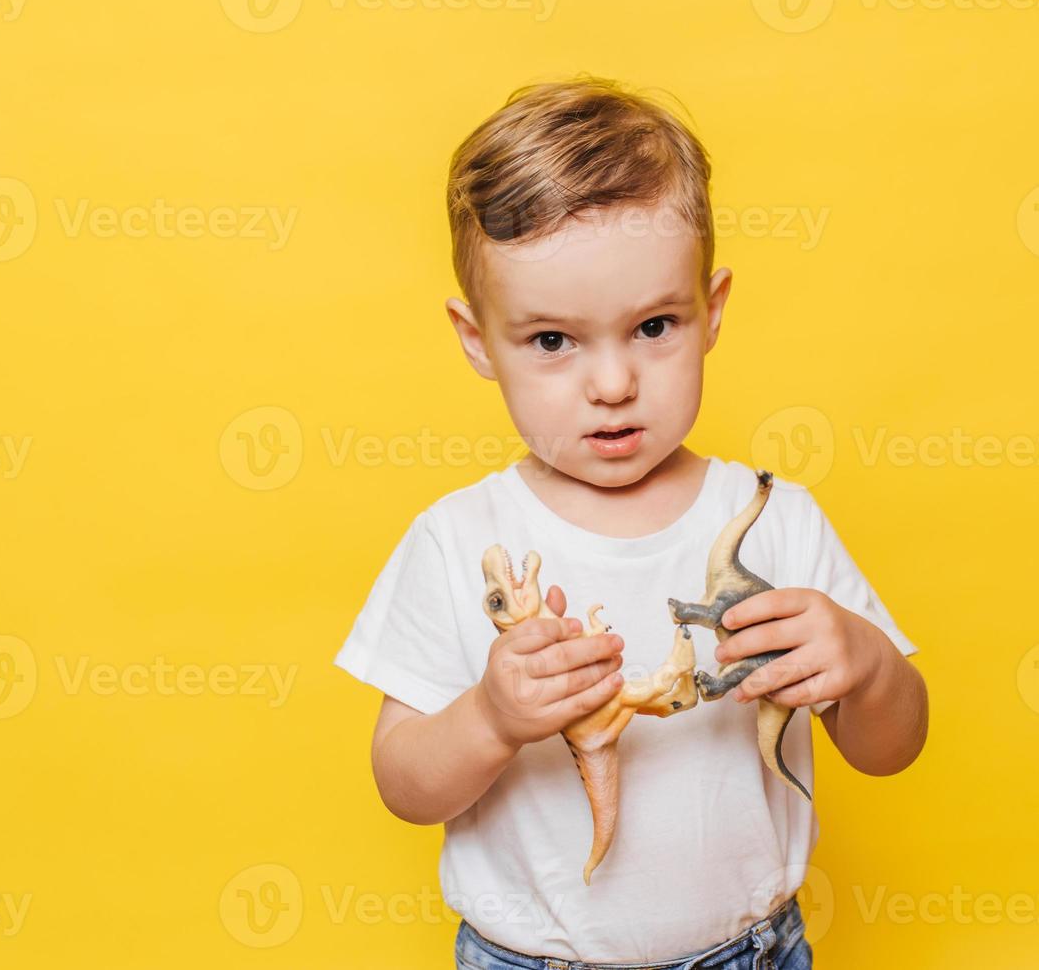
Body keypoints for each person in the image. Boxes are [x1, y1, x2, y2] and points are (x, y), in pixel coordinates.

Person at [333, 75, 929, 969]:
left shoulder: (774, 520)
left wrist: (869, 667)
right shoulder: (457, 540)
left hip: (752, 950)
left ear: (711, 311)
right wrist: (492, 718)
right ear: (475, 339)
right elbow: (404, 784)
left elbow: (892, 749)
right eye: (551, 341)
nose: (612, 385)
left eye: (654, 326)